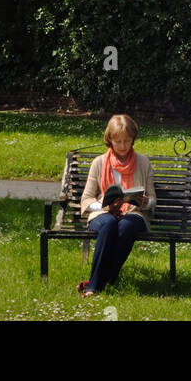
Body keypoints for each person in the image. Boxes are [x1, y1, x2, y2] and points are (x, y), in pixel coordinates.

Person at [74, 113, 157, 297]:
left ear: (133, 140)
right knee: (110, 223)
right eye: (117, 141)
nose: (122, 146)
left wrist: (145, 202)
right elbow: (86, 199)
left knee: (125, 226)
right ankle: (98, 284)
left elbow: (152, 199)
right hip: (102, 213)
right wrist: (103, 208)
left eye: (127, 141)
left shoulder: (143, 163)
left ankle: (95, 285)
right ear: (109, 140)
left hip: (134, 213)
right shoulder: (99, 163)